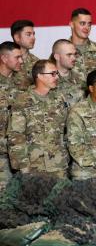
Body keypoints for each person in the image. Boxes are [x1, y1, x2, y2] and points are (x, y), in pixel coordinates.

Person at [7, 60, 70, 178]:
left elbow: (67, 130)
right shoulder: (22, 101)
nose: (57, 77)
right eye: (52, 74)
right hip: (33, 167)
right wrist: (24, 168)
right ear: (39, 76)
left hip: (59, 165)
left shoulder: (60, 99)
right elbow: (16, 137)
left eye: (57, 73)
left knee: (61, 196)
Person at [0, 42, 24, 188]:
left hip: (20, 154)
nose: (21, 61)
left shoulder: (23, 82)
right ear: (4, 58)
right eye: (17, 57)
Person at [69, 7, 96, 77]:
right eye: (82, 23)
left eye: (89, 24)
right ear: (72, 24)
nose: (87, 28)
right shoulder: (61, 50)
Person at [50, 39, 85, 107]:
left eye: (74, 54)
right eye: (69, 55)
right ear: (57, 57)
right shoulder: (48, 79)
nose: (74, 58)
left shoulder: (81, 77)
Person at [10, 19, 38, 89]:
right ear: (17, 37)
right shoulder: (4, 60)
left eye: (33, 34)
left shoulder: (37, 63)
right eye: (28, 34)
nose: (33, 38)